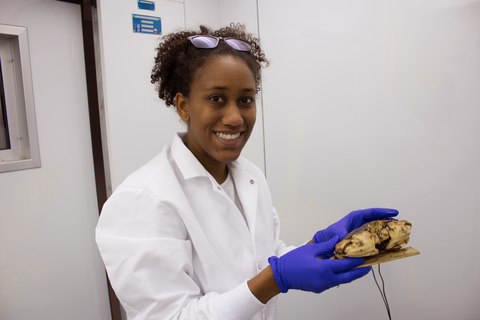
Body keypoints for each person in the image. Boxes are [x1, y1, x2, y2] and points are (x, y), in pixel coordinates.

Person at [95, 23, 399, 320]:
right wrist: (276, 280)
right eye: (216, 99)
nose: (235, 117)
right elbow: (173, 315)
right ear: (183, 106)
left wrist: (321, 245)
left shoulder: (249, 176)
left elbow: (261, 257)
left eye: (246, 100)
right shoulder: (142, 200)